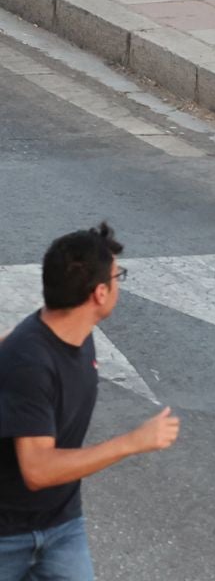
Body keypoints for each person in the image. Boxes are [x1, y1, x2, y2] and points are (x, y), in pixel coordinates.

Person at [0, 224, 181, 577]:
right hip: (6, 535)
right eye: (119, 277)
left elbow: (14, 345)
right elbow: (37, 470)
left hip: (62, 526)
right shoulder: (33, 362)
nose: (119, 286)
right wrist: (131, 442)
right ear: (100, 293)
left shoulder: (67, 330)